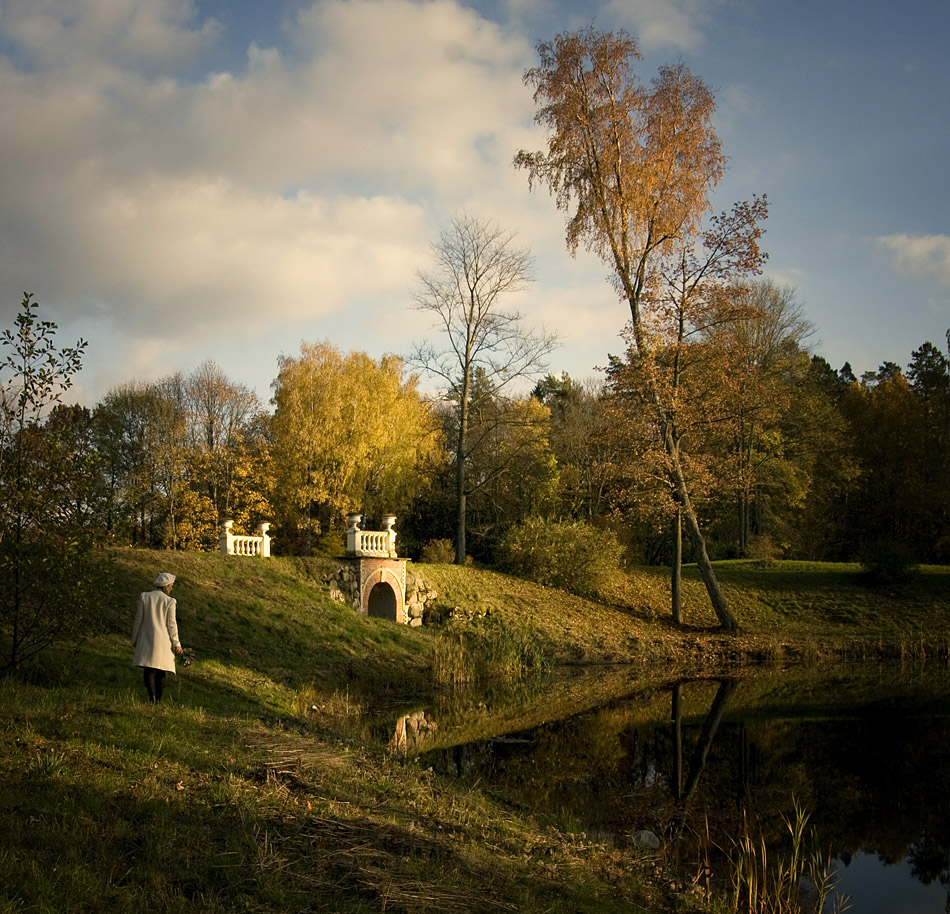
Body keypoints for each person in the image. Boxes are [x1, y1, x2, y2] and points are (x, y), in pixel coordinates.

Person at [131, 571, 184, 703]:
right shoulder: (170, 601)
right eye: (171, 586)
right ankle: (158, 699)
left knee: (149, 668)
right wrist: (176, 643)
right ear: (166, 586)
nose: (171, 588)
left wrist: (135, 638)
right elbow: (172, 624)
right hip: (163, 640)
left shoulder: (145, 597)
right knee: (161, 670)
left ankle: (152, 697)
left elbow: (138, 619)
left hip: (147, 637)